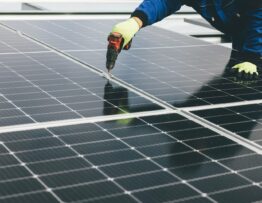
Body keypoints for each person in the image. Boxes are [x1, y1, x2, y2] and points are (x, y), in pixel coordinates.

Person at [109, 0, 262, 79]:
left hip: (256, 43)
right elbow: (164, 2)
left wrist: (253, 57)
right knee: (235, 90)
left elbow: (259, 15)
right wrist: (136, 20)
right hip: (242, 41)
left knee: (248, 100)